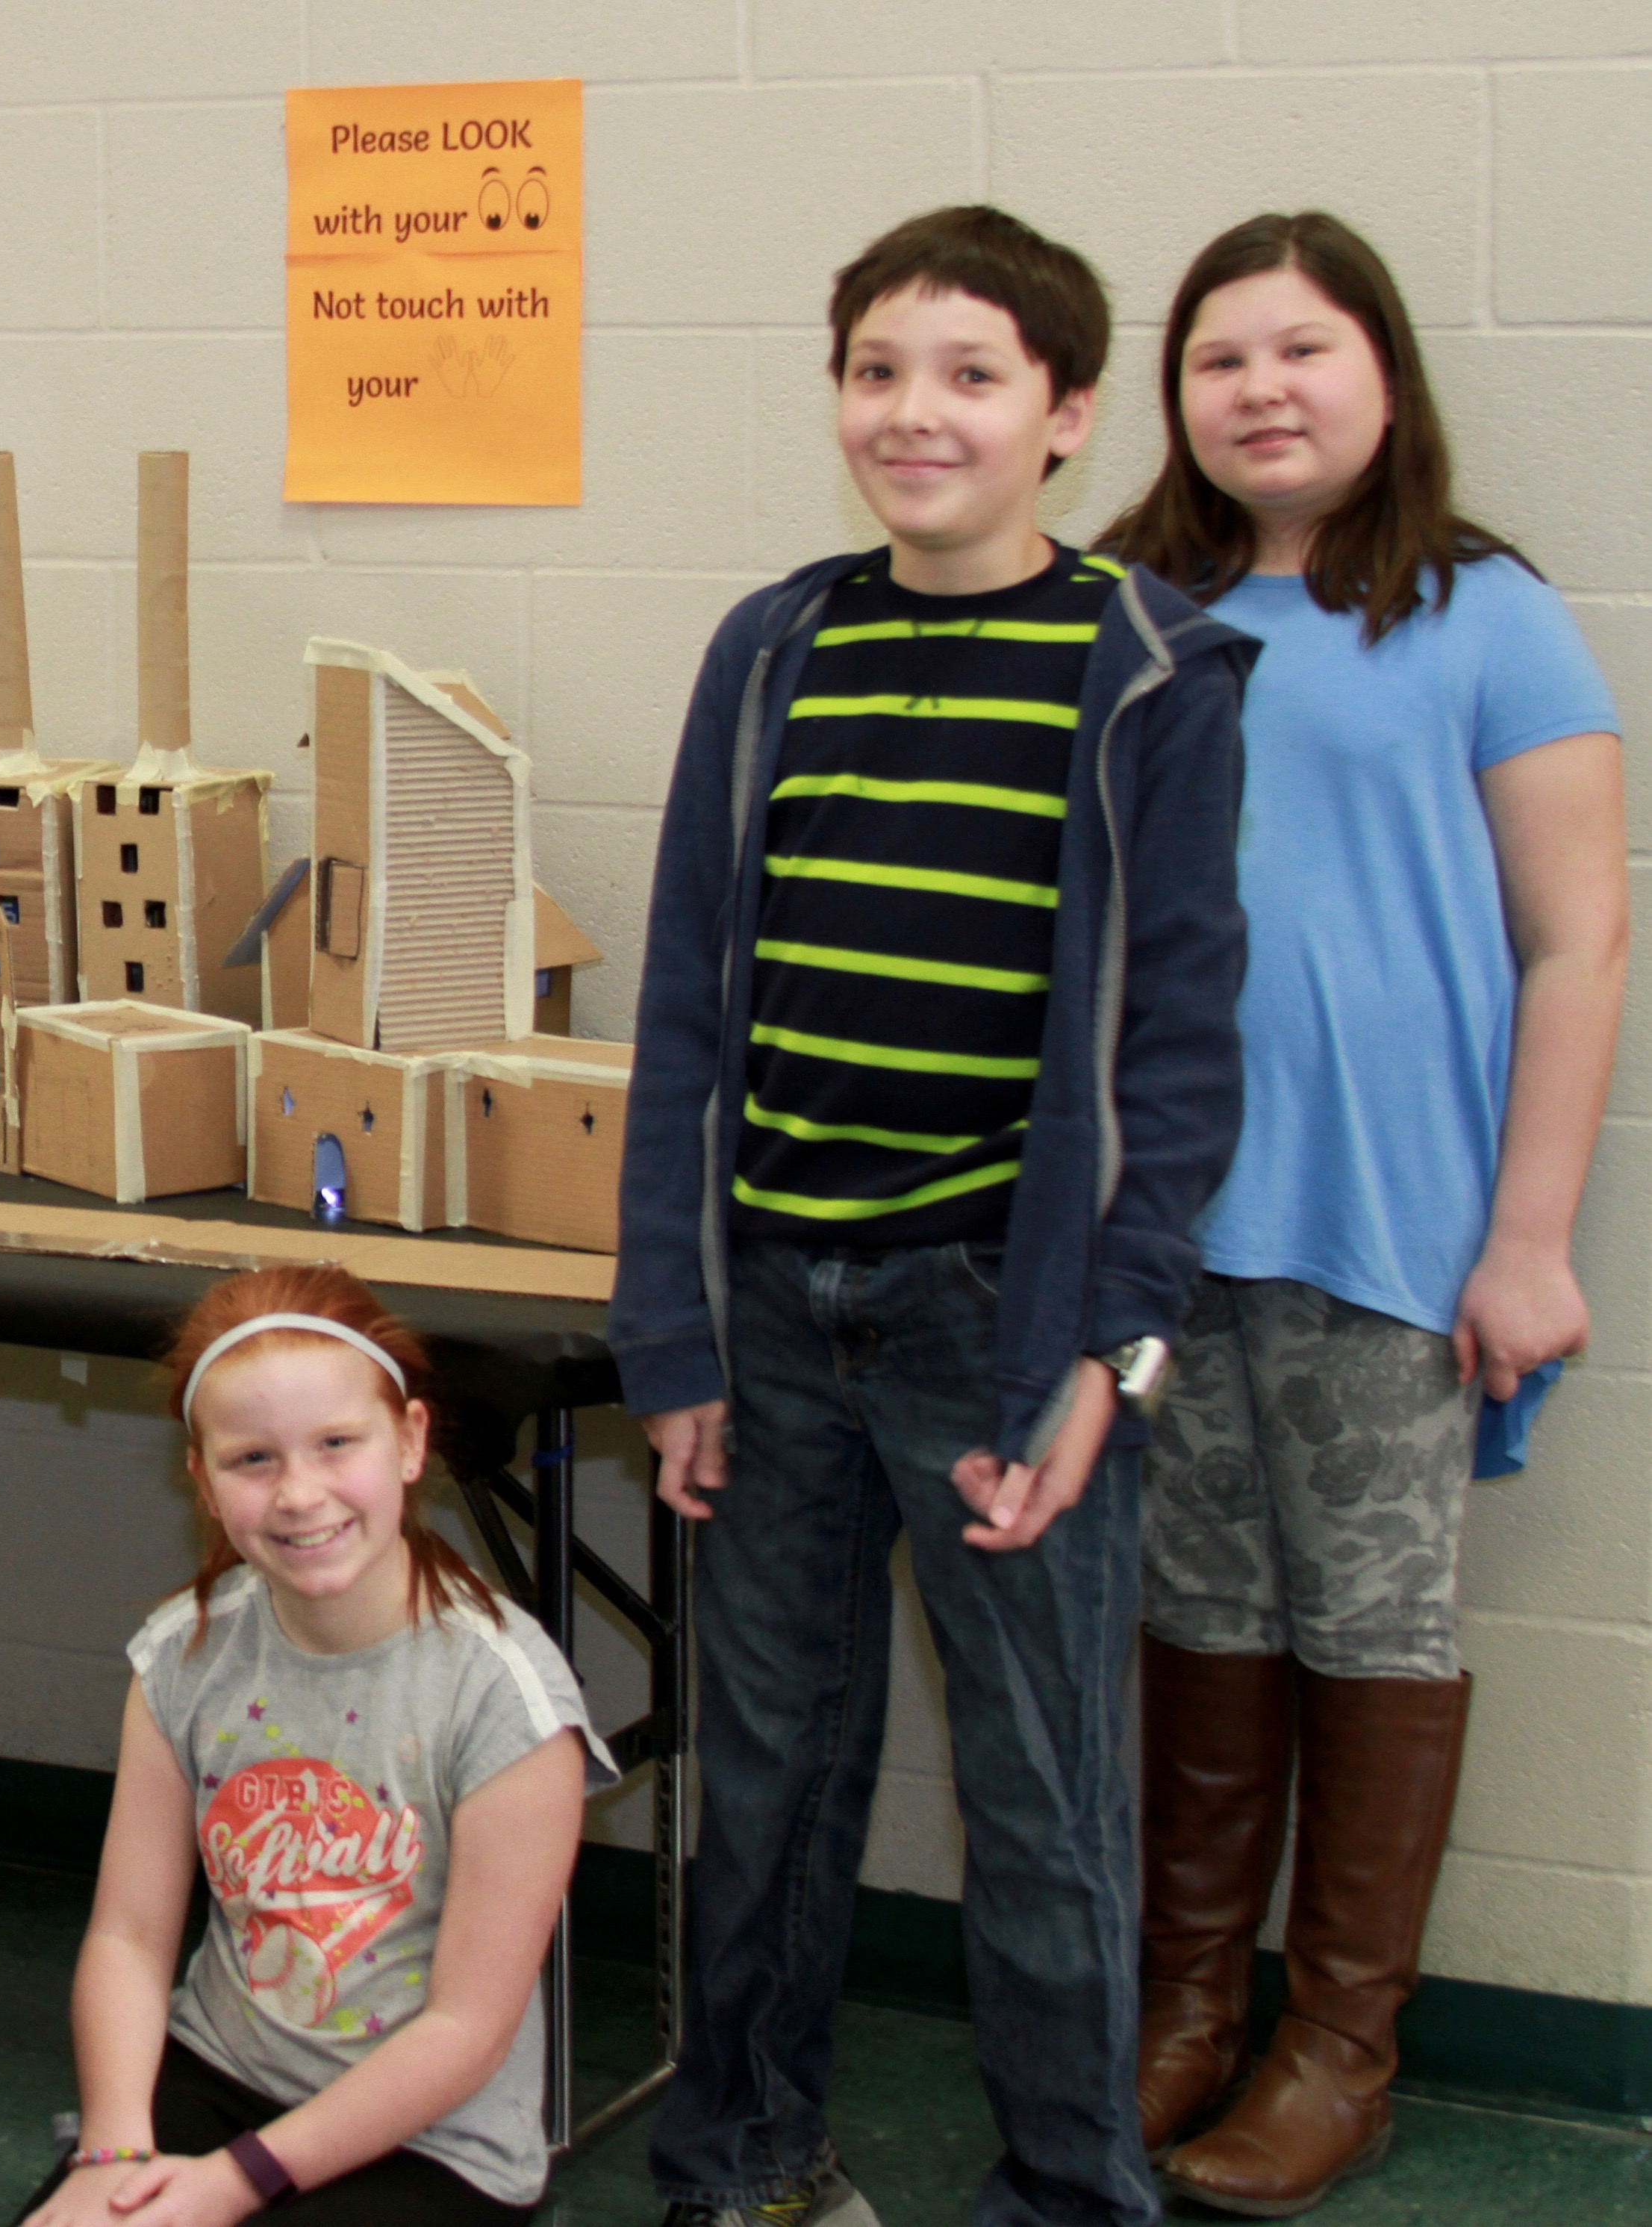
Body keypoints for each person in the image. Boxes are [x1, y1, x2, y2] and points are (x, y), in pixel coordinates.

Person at [611, 205, 1256, 2227]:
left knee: (1044, 1794)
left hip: (1003, 1325)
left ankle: (1073, 2187)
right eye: (878, 369)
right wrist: (678, 1335)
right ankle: (744, 2151)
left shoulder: (1149, 670)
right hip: (777, 1328)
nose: (915, 412)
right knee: (772, 1775)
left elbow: (1174, 1053)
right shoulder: (771, 645)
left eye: (972, 376)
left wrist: (1107, 1354)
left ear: (1064, 415)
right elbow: (682, 1011)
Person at [1096, 212, 1627, 2217]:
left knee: (1371, 1627)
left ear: (1381, 374)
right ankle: (1179, 2008)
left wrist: (1528, 1234)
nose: (1259, 388)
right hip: (1166, 1226)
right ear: (1173, 399)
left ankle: (1337, 2049)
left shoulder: (1482, 615)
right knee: (1202, 1614)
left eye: (1301, 348)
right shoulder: (1128, 609)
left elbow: (1577, 943)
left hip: (1390, 1227)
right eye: (1218, 356)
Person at [23, 1266, 608, 2227]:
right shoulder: (184, 1654)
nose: (300, 1493)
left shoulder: (506, 1697)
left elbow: (466, 2029)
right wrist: (113, 2150)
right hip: (220, 2071)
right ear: (203, 1481)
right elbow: (129, 1936)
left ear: (412, 1441)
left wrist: (234, 2181)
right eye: (253, 1459)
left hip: (432, 2134)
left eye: (338, 1444)